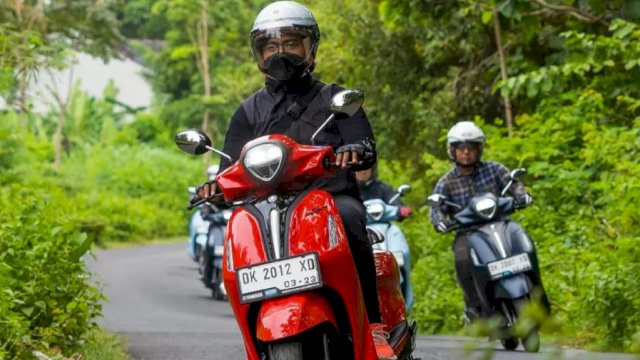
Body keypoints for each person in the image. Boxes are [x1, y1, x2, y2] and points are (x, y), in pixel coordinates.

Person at [194, 2, 395, 358]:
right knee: (238, 233)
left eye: (291, 43)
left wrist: (354, 150)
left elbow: (364, 144)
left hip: (328, 200)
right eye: (270, 46)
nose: (280, 52)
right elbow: (230, 167)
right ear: (258, 54)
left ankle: (374, 327)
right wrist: (215, 187)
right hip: (264, 207)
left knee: (352, 219)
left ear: (310, 49)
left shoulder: (336, 98)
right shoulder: (248, 111)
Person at [429, 121, 532, 322]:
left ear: (479, 149)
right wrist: (439, 221)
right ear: (452, 151)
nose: (466, 152)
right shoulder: (446, 182)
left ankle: (533, 287)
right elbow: (437, 208)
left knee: (523, 241)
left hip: (501, 224)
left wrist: (523, 196)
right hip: (469, 232)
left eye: (471, 147)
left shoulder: (495, 169)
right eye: (461, 148)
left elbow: (515, 186)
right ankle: (475, 307)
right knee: (462, 258)